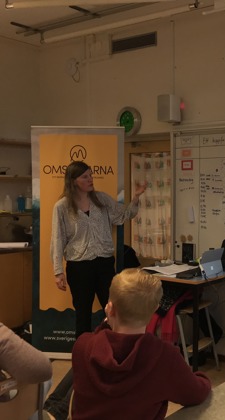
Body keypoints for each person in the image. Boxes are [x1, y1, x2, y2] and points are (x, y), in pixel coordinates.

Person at [44, 268, 211, 420]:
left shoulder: (83, 345)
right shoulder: (165, 357)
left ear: (110, 309)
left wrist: (106, 324)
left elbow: (100, 342)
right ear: (154, 310)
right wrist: (200, 377)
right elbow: (197, 393)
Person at [50, 160, 147, 338]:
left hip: (104, 264)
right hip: (79, 266)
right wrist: (58, 271)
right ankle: (83, 351)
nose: (90, 179)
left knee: (113, 310)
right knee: (82, 313)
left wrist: (136, 197)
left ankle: (114, 347)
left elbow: (123, 215)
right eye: (85, 176)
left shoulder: (102, 199)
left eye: (91, 175)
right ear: (73, 181)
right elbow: (57, 239)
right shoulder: (62, 207)